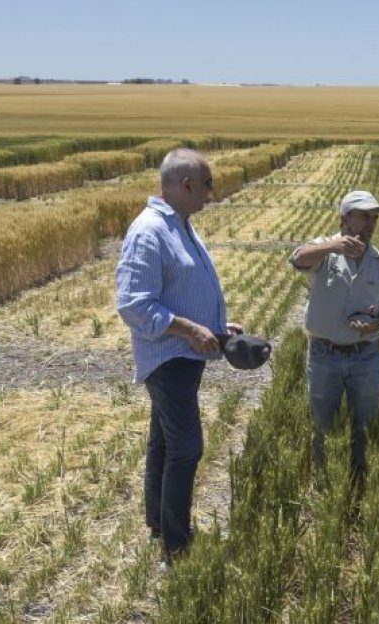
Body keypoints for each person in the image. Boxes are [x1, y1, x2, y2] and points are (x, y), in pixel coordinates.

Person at [116, 147, 240, 563]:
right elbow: (133, 304)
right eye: (207, 185)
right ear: (186, 185)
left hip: (182, 356)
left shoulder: (179, 225)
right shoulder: (149, 231)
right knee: (187, 448)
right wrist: (189, 329)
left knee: (165, 442)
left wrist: (218, 329)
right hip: (168, 358)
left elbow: (181, 289)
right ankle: (177, 545)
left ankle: (158, 522)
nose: (211, 193)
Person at [290, 190, 379, 483]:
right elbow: (298, 258)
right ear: (344, 219)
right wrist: (332, 246)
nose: (370, 223)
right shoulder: (324, 253)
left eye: (374, 218)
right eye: (364, 216)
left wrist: (375, 326)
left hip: (365, 356)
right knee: (323, 424)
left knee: (364, 423)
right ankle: (326, 484)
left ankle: (359, 482)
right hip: (324, 354)